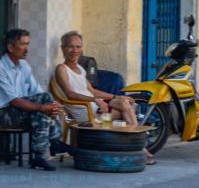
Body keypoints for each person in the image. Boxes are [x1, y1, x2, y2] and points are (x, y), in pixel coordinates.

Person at [55, 31, 155, 165]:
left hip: (96, 109)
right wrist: (94, 100)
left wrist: (115, 96)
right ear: (63, 48)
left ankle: (138, 146)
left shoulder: (80, 69)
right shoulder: (61, 69)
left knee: (124, 101)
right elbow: (70, 94)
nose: (75, 50)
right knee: (126, 107)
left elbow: (92, 91)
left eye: (78, 47)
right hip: (86, 114)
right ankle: (140, 147)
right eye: (71, 47)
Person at [0, 29, 75, 172]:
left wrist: (50, 106)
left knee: (45, 101)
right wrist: (42, 108)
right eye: (23, 44)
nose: (27, 48)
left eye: (28, 44)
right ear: (10, 47)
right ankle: (53, 143)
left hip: (21, 110)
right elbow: (13, 101)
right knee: (41, 107)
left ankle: (41, 154)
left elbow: (38, 92)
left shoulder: (24, 66)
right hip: (1, 114)